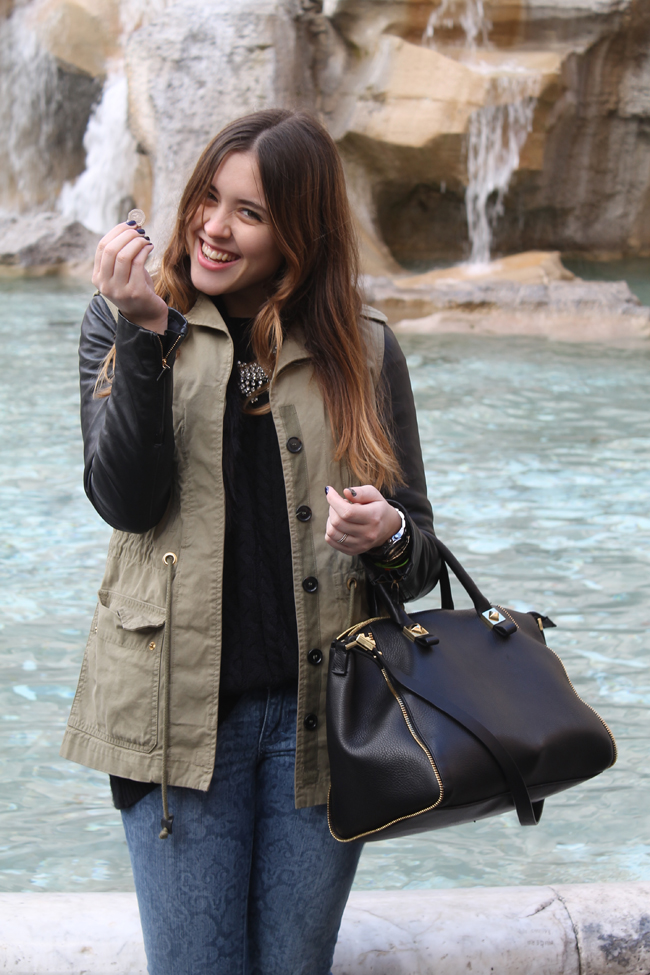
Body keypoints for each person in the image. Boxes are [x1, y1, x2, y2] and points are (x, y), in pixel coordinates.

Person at [61, 109, 441, 975]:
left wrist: (384, 532)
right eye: (208, 197)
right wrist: (145, 334)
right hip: (175, 722)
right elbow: (124, 501)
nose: (214, 227)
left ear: (300, 234)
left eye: (250, 213)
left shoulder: (363, 349)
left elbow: (418, 554)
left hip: (326, 726)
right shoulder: (121, 321)